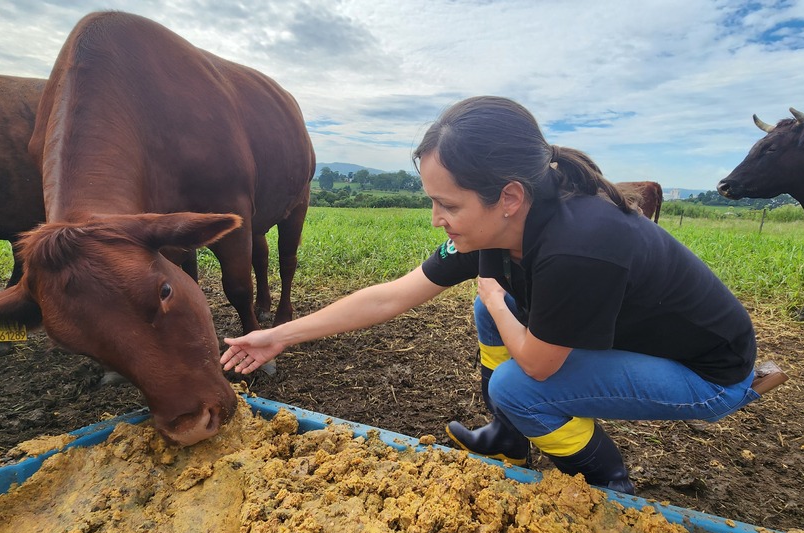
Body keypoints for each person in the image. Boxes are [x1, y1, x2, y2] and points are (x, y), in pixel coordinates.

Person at [221, 95, 759, 495]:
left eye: (448, 205)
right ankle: (509, 438)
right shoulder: (504, 225)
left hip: (706, 374)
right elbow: (390, 296)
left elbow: (540, 367)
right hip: (643, 337)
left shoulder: (579, 246)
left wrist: (498, 296)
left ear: (508, 196)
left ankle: (606, 483)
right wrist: (277, 336)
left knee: (518, 385)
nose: (438, 220)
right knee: (492, 306)